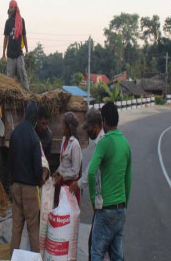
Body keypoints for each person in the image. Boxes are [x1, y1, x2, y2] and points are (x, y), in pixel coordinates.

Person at [88, 102, 131, 261]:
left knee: (97, 253)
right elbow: (128, 179)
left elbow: (92, 172)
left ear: (104, 121)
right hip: (121, 209)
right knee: (117, 256)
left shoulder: (104, 142)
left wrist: (93, 200)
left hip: (105, 210)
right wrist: (124, 204)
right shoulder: (126, 144)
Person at [69, 108, 104, 261]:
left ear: (95, 126)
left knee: (94, 245)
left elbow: (90, 172)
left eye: (88, 128)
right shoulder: (103, 141)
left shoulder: (102, 143)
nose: (87, 132)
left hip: (103, 203)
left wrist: (77, 185)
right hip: (109, 202)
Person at [9, 101, 43, 253]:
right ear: (35, 119)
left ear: (25, 114)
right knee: (32, 229)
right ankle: (35, 257)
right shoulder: (34, 138)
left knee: (16, 227)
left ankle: (13, 257)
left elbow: (10, 160)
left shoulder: (14, 133)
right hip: (30, 188)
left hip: (15, 186)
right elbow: (37, 169)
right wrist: (39, 181)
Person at [53, 112, 82, 205]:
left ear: (68, 127)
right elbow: (63, 163)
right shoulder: (64, 140)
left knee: (70, 215)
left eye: (63, 125)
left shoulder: (75, 144)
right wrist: (57, 172)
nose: (62, 127)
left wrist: (62, 177)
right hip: (63, 186)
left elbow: (75, 171)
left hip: (71, 186)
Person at [2, 0, 29, 90]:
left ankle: (26, 91)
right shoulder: (8, 22)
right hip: (10, 54)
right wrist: (3, 54)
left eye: (11, 7)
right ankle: (9, 93)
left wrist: (27, 51)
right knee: (9, 76)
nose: (10, 9)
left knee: (22, 71)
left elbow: (24, 36)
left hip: (19, 53)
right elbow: (5, 39)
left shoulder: (21, 21)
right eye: (9, 7)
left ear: (16, 8)